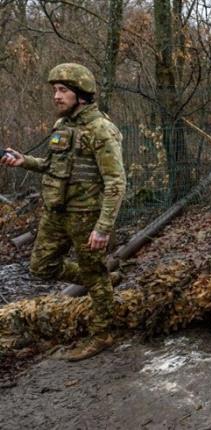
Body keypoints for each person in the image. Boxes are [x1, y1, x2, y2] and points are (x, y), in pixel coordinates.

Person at [0, 63, 126, 361]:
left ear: (81, 95)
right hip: (56, 213)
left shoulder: (101, 130)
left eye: (63, 91)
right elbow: (52, 165)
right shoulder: (62, 126)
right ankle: (102, 282)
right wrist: (24, 161)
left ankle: (103, 333)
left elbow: (116, 182)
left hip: (86, 216)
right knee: (41, 267)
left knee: (94, 275)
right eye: (55, 90)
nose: (56, 96)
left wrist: (103, 227)